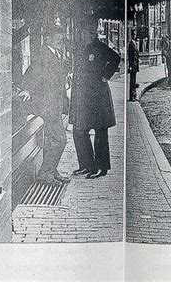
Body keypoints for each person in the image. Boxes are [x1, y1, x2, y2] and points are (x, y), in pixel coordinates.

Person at [19, 22, 70, 186]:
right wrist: (27, 89)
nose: (60, 40)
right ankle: (45, 173)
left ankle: (51, 170)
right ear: (47, 38)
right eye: (56, 37)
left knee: (50, 140)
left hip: (54, 103)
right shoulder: (43, 54)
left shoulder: (55, 53)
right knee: (60, 140)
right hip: (48, 105)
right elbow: (33, 72)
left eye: (61, 37)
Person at [70, 16, 121, 179]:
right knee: (79, 130)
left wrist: (106, 75)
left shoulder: (99, 47)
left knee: (100, 131)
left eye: (87, 32)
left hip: (98, 96)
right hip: (82, 96)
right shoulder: (79, 48)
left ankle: (101, 167)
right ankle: (86, 165)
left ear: (92, 34)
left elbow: (116, 58)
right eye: (82, 32)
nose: (83, 35)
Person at [127, 30, 139, 100]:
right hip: (132, 65)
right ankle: (131, 96)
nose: (135, 36)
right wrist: (130, 66)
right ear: (132, 35)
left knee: (134, 80)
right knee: (132, 81)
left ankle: (134, 95)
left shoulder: (134, 43)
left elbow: (136, 54)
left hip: (135, 65)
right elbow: (130, 56)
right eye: (134, 34)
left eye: (135, 34)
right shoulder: (131, 44)